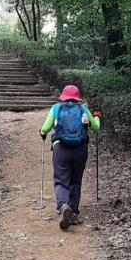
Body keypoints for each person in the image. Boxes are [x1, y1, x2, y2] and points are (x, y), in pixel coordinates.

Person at [40, 85, 101, 230]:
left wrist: (42, 133)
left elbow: (45, 128)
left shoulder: (56, 108)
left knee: (61, 181)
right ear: (77, 96)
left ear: (63, 96)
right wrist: (97, 117)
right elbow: (96, 127)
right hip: (80, 149)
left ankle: (63, 206)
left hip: (61, 148)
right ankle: (73, 212)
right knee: (75, 181)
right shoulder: (83, 109)